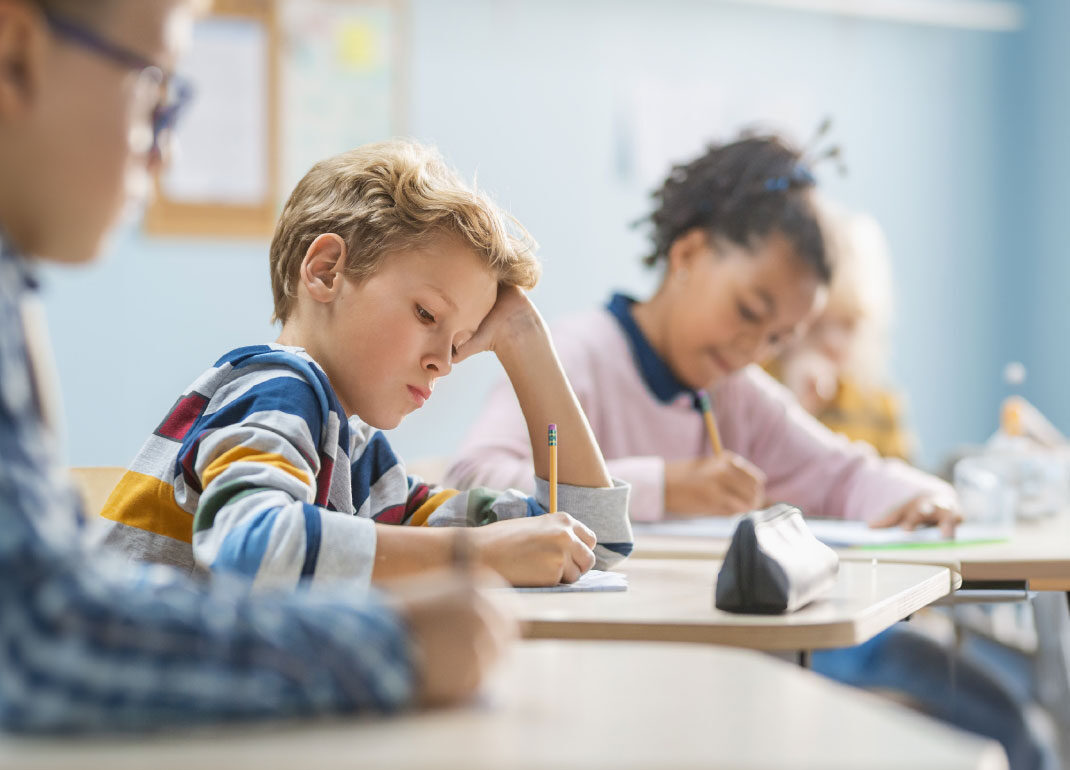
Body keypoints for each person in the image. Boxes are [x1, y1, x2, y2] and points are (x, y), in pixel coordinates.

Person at [445, 134, 1046, 768]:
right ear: (689, 254)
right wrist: (664, 485)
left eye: (778, 336)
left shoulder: (736, 394)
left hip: (743, 641)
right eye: (748, 310)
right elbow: (476, 479)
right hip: (629, 657)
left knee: (1007, 723)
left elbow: (844, 474)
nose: (751, 348)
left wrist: (923, 495)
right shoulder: (578, 356)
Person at [0, 0, 513, 731]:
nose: (163, 152)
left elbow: (523, 526)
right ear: (14, 53)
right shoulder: (277, 385)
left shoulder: (354, 439)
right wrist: (395, 642)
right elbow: (41, 642)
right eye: (155, 92)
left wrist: (528, 350)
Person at [92, 139, 632, 588]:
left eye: (463, 340)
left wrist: (525, 341)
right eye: (427, 314)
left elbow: (590, 538)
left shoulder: (357, 458)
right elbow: (252, 546)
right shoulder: (275, 389)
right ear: (326, 271)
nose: (443, 363)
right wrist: (475, 554)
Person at [768, 199, 914, 460]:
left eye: (849, 324)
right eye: (817, 324)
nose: (832, 342)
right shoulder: (762, 386)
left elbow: (904, 482)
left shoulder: (879, 405)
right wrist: (796, 405)